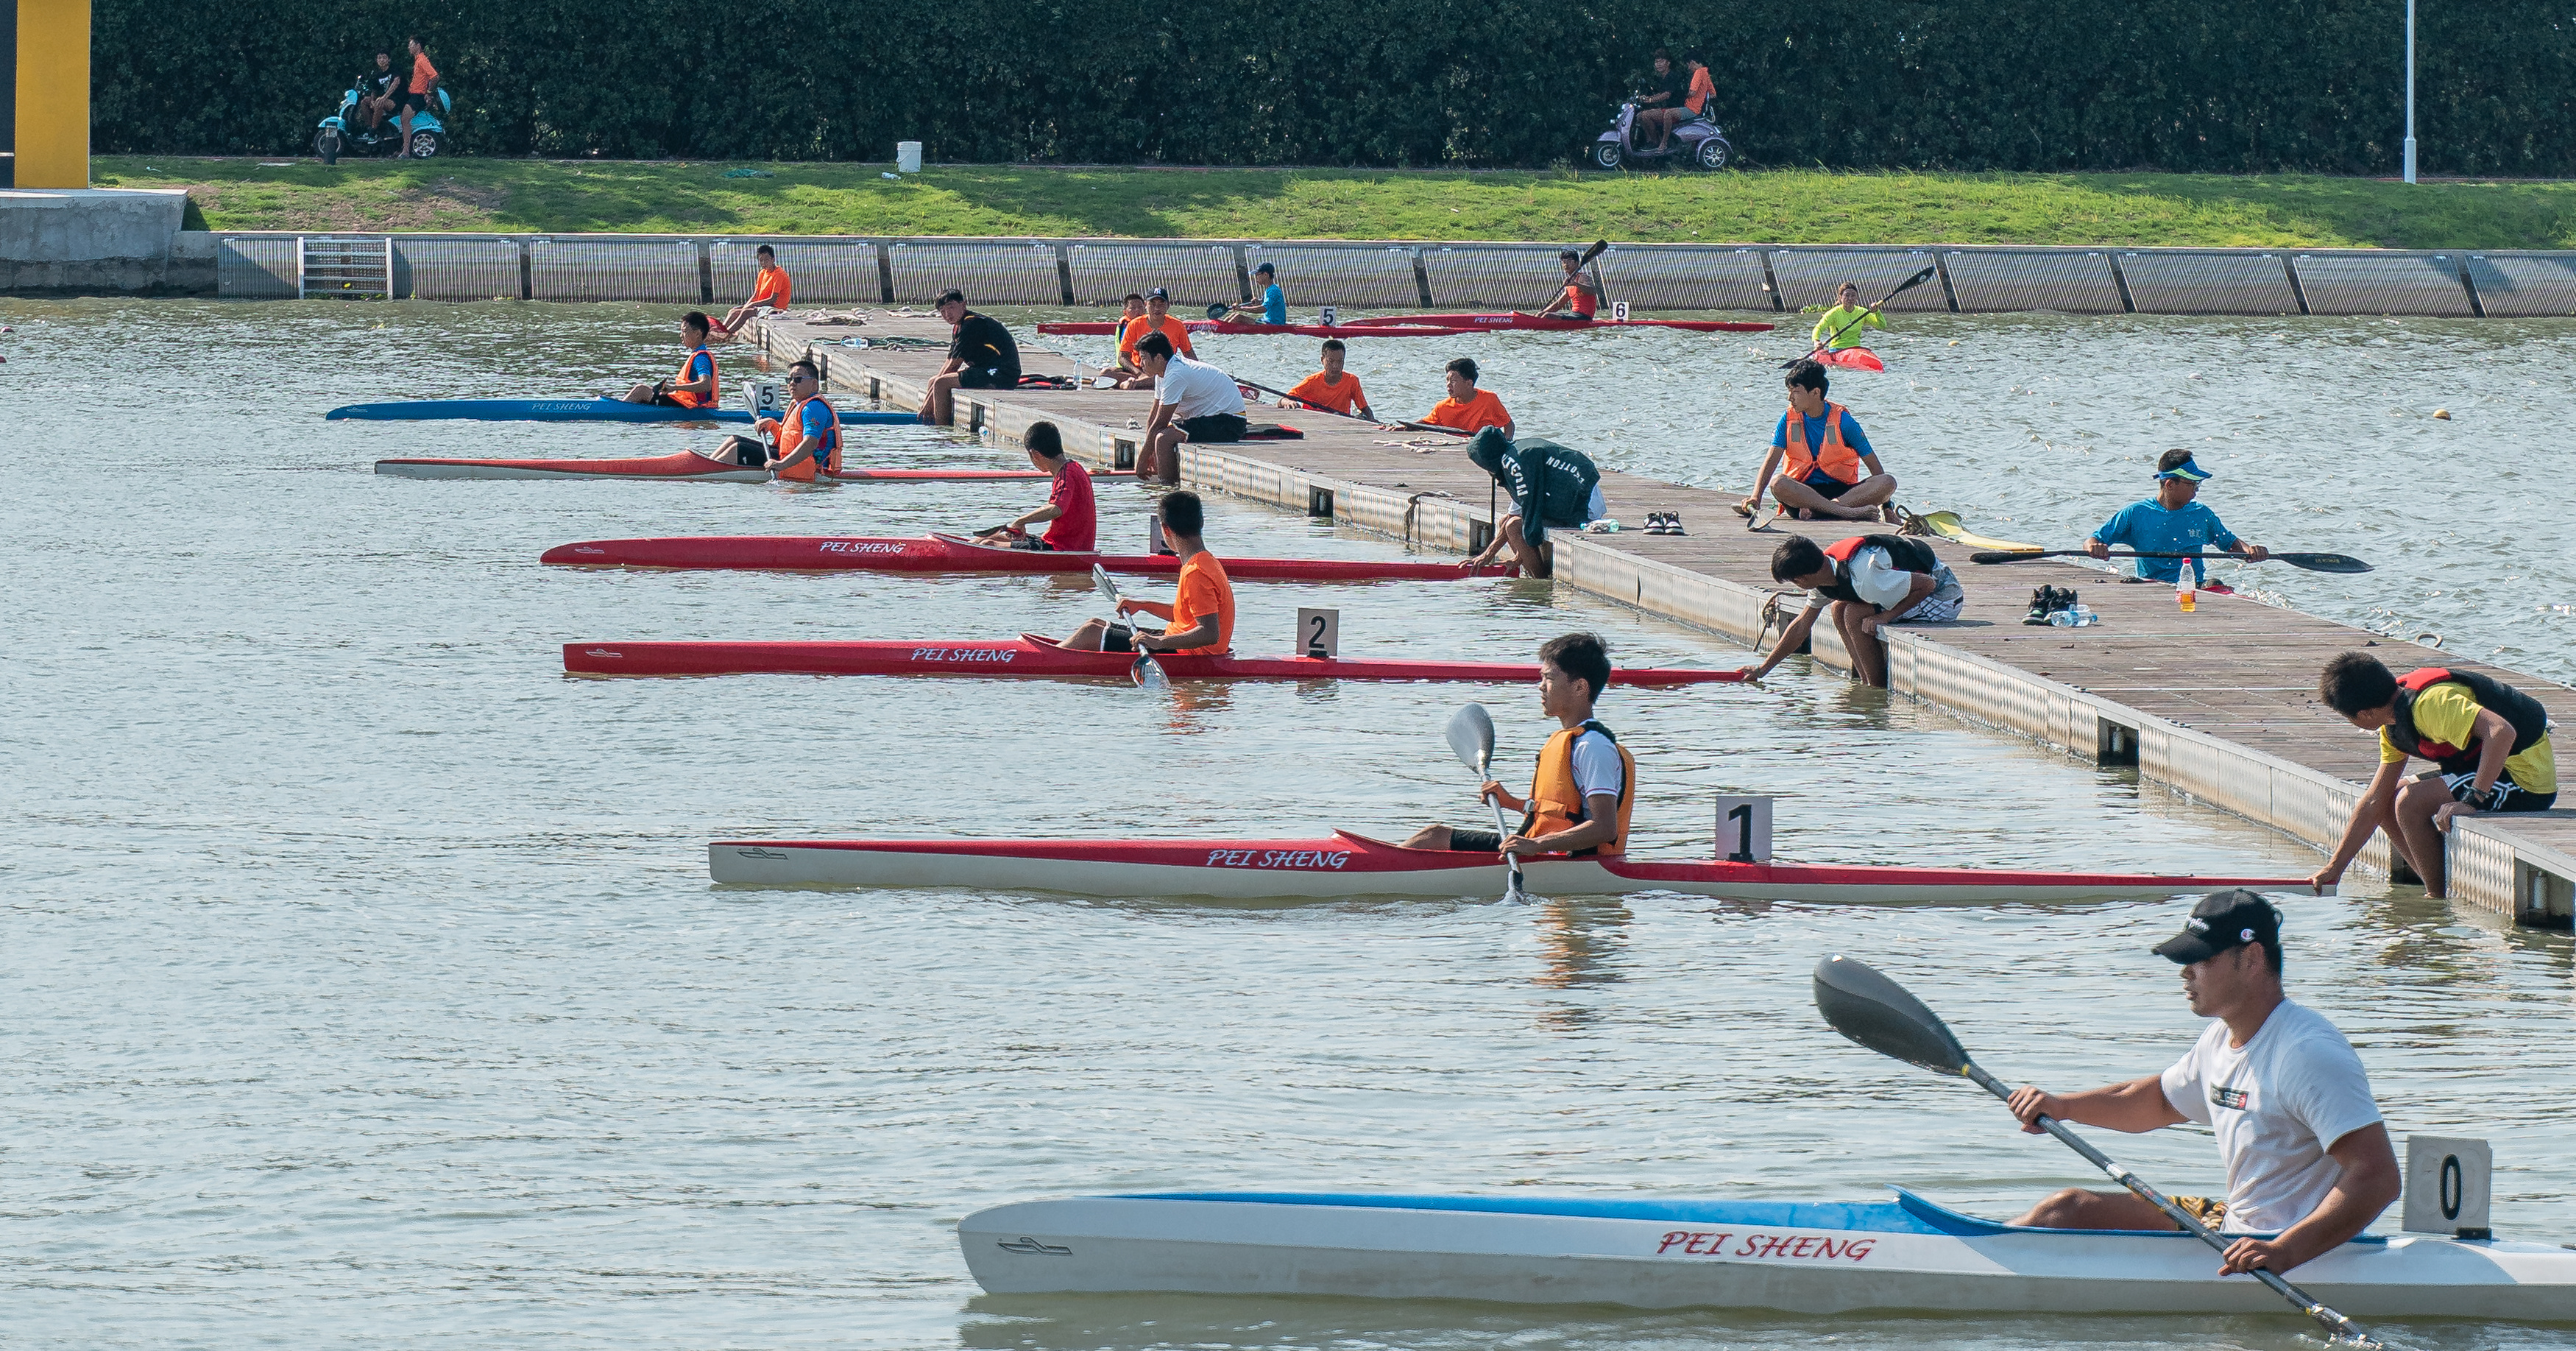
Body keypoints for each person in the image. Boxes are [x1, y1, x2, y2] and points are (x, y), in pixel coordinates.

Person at [2004, 891, 2400, 1279]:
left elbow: (2378, 1177)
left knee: (2064, 1213)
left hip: (2288, 1250)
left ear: (2252, 958)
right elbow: (2157, 1103)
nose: (2185, 971)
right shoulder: (2218, 1039)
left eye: (2201, 959)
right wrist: (2063, 1107)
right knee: (2067, 1209)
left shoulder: (2308, 1054)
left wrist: (2285, 1250)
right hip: (2234, 1227)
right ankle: (1983, 1248)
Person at [2309, 652, 2556, 898]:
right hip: (2489, 770)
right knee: (2389, 800)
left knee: (2410, 802)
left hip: (2525, 781)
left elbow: (2501, 731)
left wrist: (2472, 800)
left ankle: (2437, 899)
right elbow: (2375, 799)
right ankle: (2437, 885)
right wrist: (2335, 867)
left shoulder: (2432, 704)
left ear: (2363, 714)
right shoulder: (2393, 721)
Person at [1404, 632, 1635, 859]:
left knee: (1433, 839)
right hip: (1546, 848)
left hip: (1570, 860)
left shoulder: (1593, 747)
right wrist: (1511, 802)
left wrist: (1535, 845)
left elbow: (1605, 828)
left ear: (1580, 688)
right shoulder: (1573, 740)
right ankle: (1378, 862)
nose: (1541, 686)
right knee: (1434, 835)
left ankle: (1377, 867)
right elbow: (1559, 812)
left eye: (1549, 679)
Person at [1739, 532, 1963, 688]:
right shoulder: (1826, 574)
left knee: (1854, 614)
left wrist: (1884, 617)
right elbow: (1801, 626)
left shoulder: (1867, 578)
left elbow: (1927, 585)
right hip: (1909, 588)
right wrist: (1762, 669)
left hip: (1943, 597)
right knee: (1838, 609)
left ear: (1802, 579)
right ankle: (1865, 683)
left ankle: (1875, 688)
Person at [1062, 491, 1232, 655]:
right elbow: (1185, 615)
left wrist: (1158, 643)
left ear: (1166, 530)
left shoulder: (1196, 572)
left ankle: (1046, 659)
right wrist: (1142, 605)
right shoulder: (1206, 561)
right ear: (1201, 522)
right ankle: (1054, 653)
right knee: (1095, 624)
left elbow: (1209, 634)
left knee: (1090, 633)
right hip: (1182, 641)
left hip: (1193, 653)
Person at [2085, 451, 2270, 591]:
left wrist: (2249, 551)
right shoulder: (2136, 514)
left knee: (2215, 584)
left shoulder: (2202, 514)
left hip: (2192, 587)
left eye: (2198, 484)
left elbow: (2229, 543)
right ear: (2170, 485)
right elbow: (2092, 540)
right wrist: (2095, 548)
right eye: (2192, 484)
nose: (2196, 489)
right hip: (2152, 587)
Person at [1740, 360, 1898, 523]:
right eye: (1789, 391)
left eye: (1796, 392)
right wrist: (1755, 497)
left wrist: (1887, 508)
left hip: (1843, 494)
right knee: (1778, 483)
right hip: (1803, 496)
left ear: (1815, 392)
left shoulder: (1844, 421)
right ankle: (1841, 512)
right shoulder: (1788, 419)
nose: (1790, 398)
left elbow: (1876, 468)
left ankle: (1823, 511)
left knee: (1888, 482)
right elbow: (1771, 461)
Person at [1463, 429, 1602, 579]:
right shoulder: (1515, 453)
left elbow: (1530, 509)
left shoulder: (1515, 462)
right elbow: (1515, 511)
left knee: (1514, 527)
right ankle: (1526, 565)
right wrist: (1507, 554)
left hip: (1583, 504)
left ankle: (1540, 582)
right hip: (1576, 496)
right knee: (1506, 521)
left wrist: (1487, 556)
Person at [1132, 331, 1246, 483]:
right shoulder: (1163, 373)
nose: (1140, 364)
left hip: (1229, 422)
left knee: (1163, 439)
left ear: (1158, 358)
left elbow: (1160, 423)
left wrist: (1142, 459)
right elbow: (1154, 416)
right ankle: (1164, 479)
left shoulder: (1176, 374)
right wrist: (1148, 452)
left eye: (1144, 359)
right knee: (1159, 436)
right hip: (1211, 418)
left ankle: (1167, 491)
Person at [975, 422, 1096, 551]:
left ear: (1035, 455)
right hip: (1061, 544)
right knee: (981, 540)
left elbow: (1056, 508)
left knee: (988, 544)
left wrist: (1021, 521)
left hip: (1064, 549)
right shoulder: (1075, 467)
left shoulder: (1066, 475)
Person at [921, 289, 1021, 426]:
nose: (947, 314)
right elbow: (950, 360)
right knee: (933, 380)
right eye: (942, 311)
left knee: (941, 384)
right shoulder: (959, 327)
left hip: (1001, 374)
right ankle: (931, 420)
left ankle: (941, 429)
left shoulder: (972, 324)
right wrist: (929, 397)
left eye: (951, 307)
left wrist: (929, 401)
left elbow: (954, 366)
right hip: (984, 370)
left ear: (963, 305)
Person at [741, 359, 840, 480]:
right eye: (789, 380)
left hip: (811, 469)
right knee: (734, 441)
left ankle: (713, 470)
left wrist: (781, 465)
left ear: (814, 384)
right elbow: (791, 438)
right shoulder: (798, 404)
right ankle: (712, 465)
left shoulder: (814, 407)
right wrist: (773, 425)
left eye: (798, 379)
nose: (792, 383)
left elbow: (811, 443)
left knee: (738, 447)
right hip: (790, 459)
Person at [620, 311, 719, 408]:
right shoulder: (699, 355)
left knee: (641, 390)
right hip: (689, 405)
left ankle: (617, 410)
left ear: (697, 333)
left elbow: (706, 385)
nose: (681, 336)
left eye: (684, 331)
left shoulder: (701, 358)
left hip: (693, 407)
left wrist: (673, 388)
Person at [1408, 358, 1513, 438]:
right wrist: (1406, 427)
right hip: (1454, 452)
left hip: (1480, 449)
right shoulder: (1442, 407)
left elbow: (1508, 424)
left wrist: (1506, 444)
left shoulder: (1489, 399)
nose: (1448, 385)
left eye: (1453, 381)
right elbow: (1425, 424)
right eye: (1447, 380)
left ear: (1469, 383)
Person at [710, 244, 791, 340]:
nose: (764, 263)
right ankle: (720, 331)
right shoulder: (762, 273)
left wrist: (751, 305)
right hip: (763, 306)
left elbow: (773, 299)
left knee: (745, 313)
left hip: (776, 308)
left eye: (766, 260)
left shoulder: (779, 274)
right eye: (761, 260)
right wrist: (747, 305)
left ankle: (726, 334)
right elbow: (756, 294)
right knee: (734, 310)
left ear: (773, 259)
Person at [1283, 339, 1373, 420]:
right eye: (1331, 361)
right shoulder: (1311, 382)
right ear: (1322, 360)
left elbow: (1365, 408)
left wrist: (1371, 420)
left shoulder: (1352, 381)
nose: (1335, 366)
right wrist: (1289, 402)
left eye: (1340, 361)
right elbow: (1283, 400)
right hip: (1313, 424)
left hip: (1341, 424)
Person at [1632, 49, 1689, 152]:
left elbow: (1666, 95)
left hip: (1675, 110)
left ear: (1668, 63)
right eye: (1656, 62)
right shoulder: (1663, 78)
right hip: (1668, 109)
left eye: (1661, 61)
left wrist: (1649, 100)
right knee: (1640, 116)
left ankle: (1656, 143)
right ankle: (1650, 141)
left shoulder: (1672, 76)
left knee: (1646, 115)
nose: (1658, 64)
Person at [1808, 281, 1886, 353]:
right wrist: (1816, 341)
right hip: (1837, 350)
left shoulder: (1862, 312)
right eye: (1847, 295)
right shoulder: (1834, 313)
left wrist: (1877, 312)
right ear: (1840, 297)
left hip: (1856, 349)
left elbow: (1881, 325)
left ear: (1857, 298)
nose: (1850, 298)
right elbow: (1818, 328)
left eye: (1853, 296)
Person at [398, 35, 439, 158]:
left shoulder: (422, 60)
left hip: (418, 96)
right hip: (414, 94)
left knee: (405, 119)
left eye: (411, 45)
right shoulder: (418, 60)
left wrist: (429, 92)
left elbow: (435, 77)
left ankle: (406, 151)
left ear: (418, 46)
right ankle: (403, 148)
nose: (409, 47)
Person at [1097, 293, 1150, 385]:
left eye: (1140, 307)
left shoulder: (1150, 324)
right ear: (1125, 312)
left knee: (1157, 376)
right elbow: (1123, 357)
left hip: (1148, 369)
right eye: (1132, 308)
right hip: (1130, 368)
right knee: (1105, 373)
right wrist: (1139, 373)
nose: (1137, 311)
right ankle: (1139, 381)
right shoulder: (1124, 327)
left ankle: (1136, 383)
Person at [1535, 248, 1600, 321]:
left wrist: (1575, 284)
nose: (1566, 264)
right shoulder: (1569, 283)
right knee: (1542, 314)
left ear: (1576, 263)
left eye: (1569, 261)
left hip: (1585, 317)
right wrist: (1539, 314)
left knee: (1547, 316)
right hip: (1573, 314)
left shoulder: (1583, 278)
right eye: (1564, 262)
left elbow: (1592, 291)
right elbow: (1558, 304)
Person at [1223, 262, 1288, 326]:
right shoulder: (1270, 289)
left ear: (1265, 275)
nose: (1256, 277)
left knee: (1238, 317)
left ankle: (1221, 329)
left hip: (1274, 324)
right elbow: (1269, 304)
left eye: (1257, 275)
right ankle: (1221, 326)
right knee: (1233, 315)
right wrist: (1259, 302)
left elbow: (1264, 309)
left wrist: (1241, 308)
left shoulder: (1273, 291)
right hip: (1266, 321)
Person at [359, 51, 400, 132]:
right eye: (379, 58)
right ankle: (369, 127)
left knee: (379, 102)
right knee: (364, 101)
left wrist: (383, 98)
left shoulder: (395, 69)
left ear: (389, 60)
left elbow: (396, 82)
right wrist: (372, 101)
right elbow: (375, 91)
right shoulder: (378, 75)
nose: (382, 60)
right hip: (382, 99)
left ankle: (374, 130)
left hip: (396, 100)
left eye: (384, 58)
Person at [1682, 55, 1717, 124]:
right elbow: (1713, 94)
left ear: (1692, 62)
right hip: (1700, 110)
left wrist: (1684, 96)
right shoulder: (1705, 74)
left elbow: (1692, 93)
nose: (1689, 68)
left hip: (1691, 108)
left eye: (1688, 65)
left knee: (1667, 115)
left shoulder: (1698, 73)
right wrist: (1701, 97)